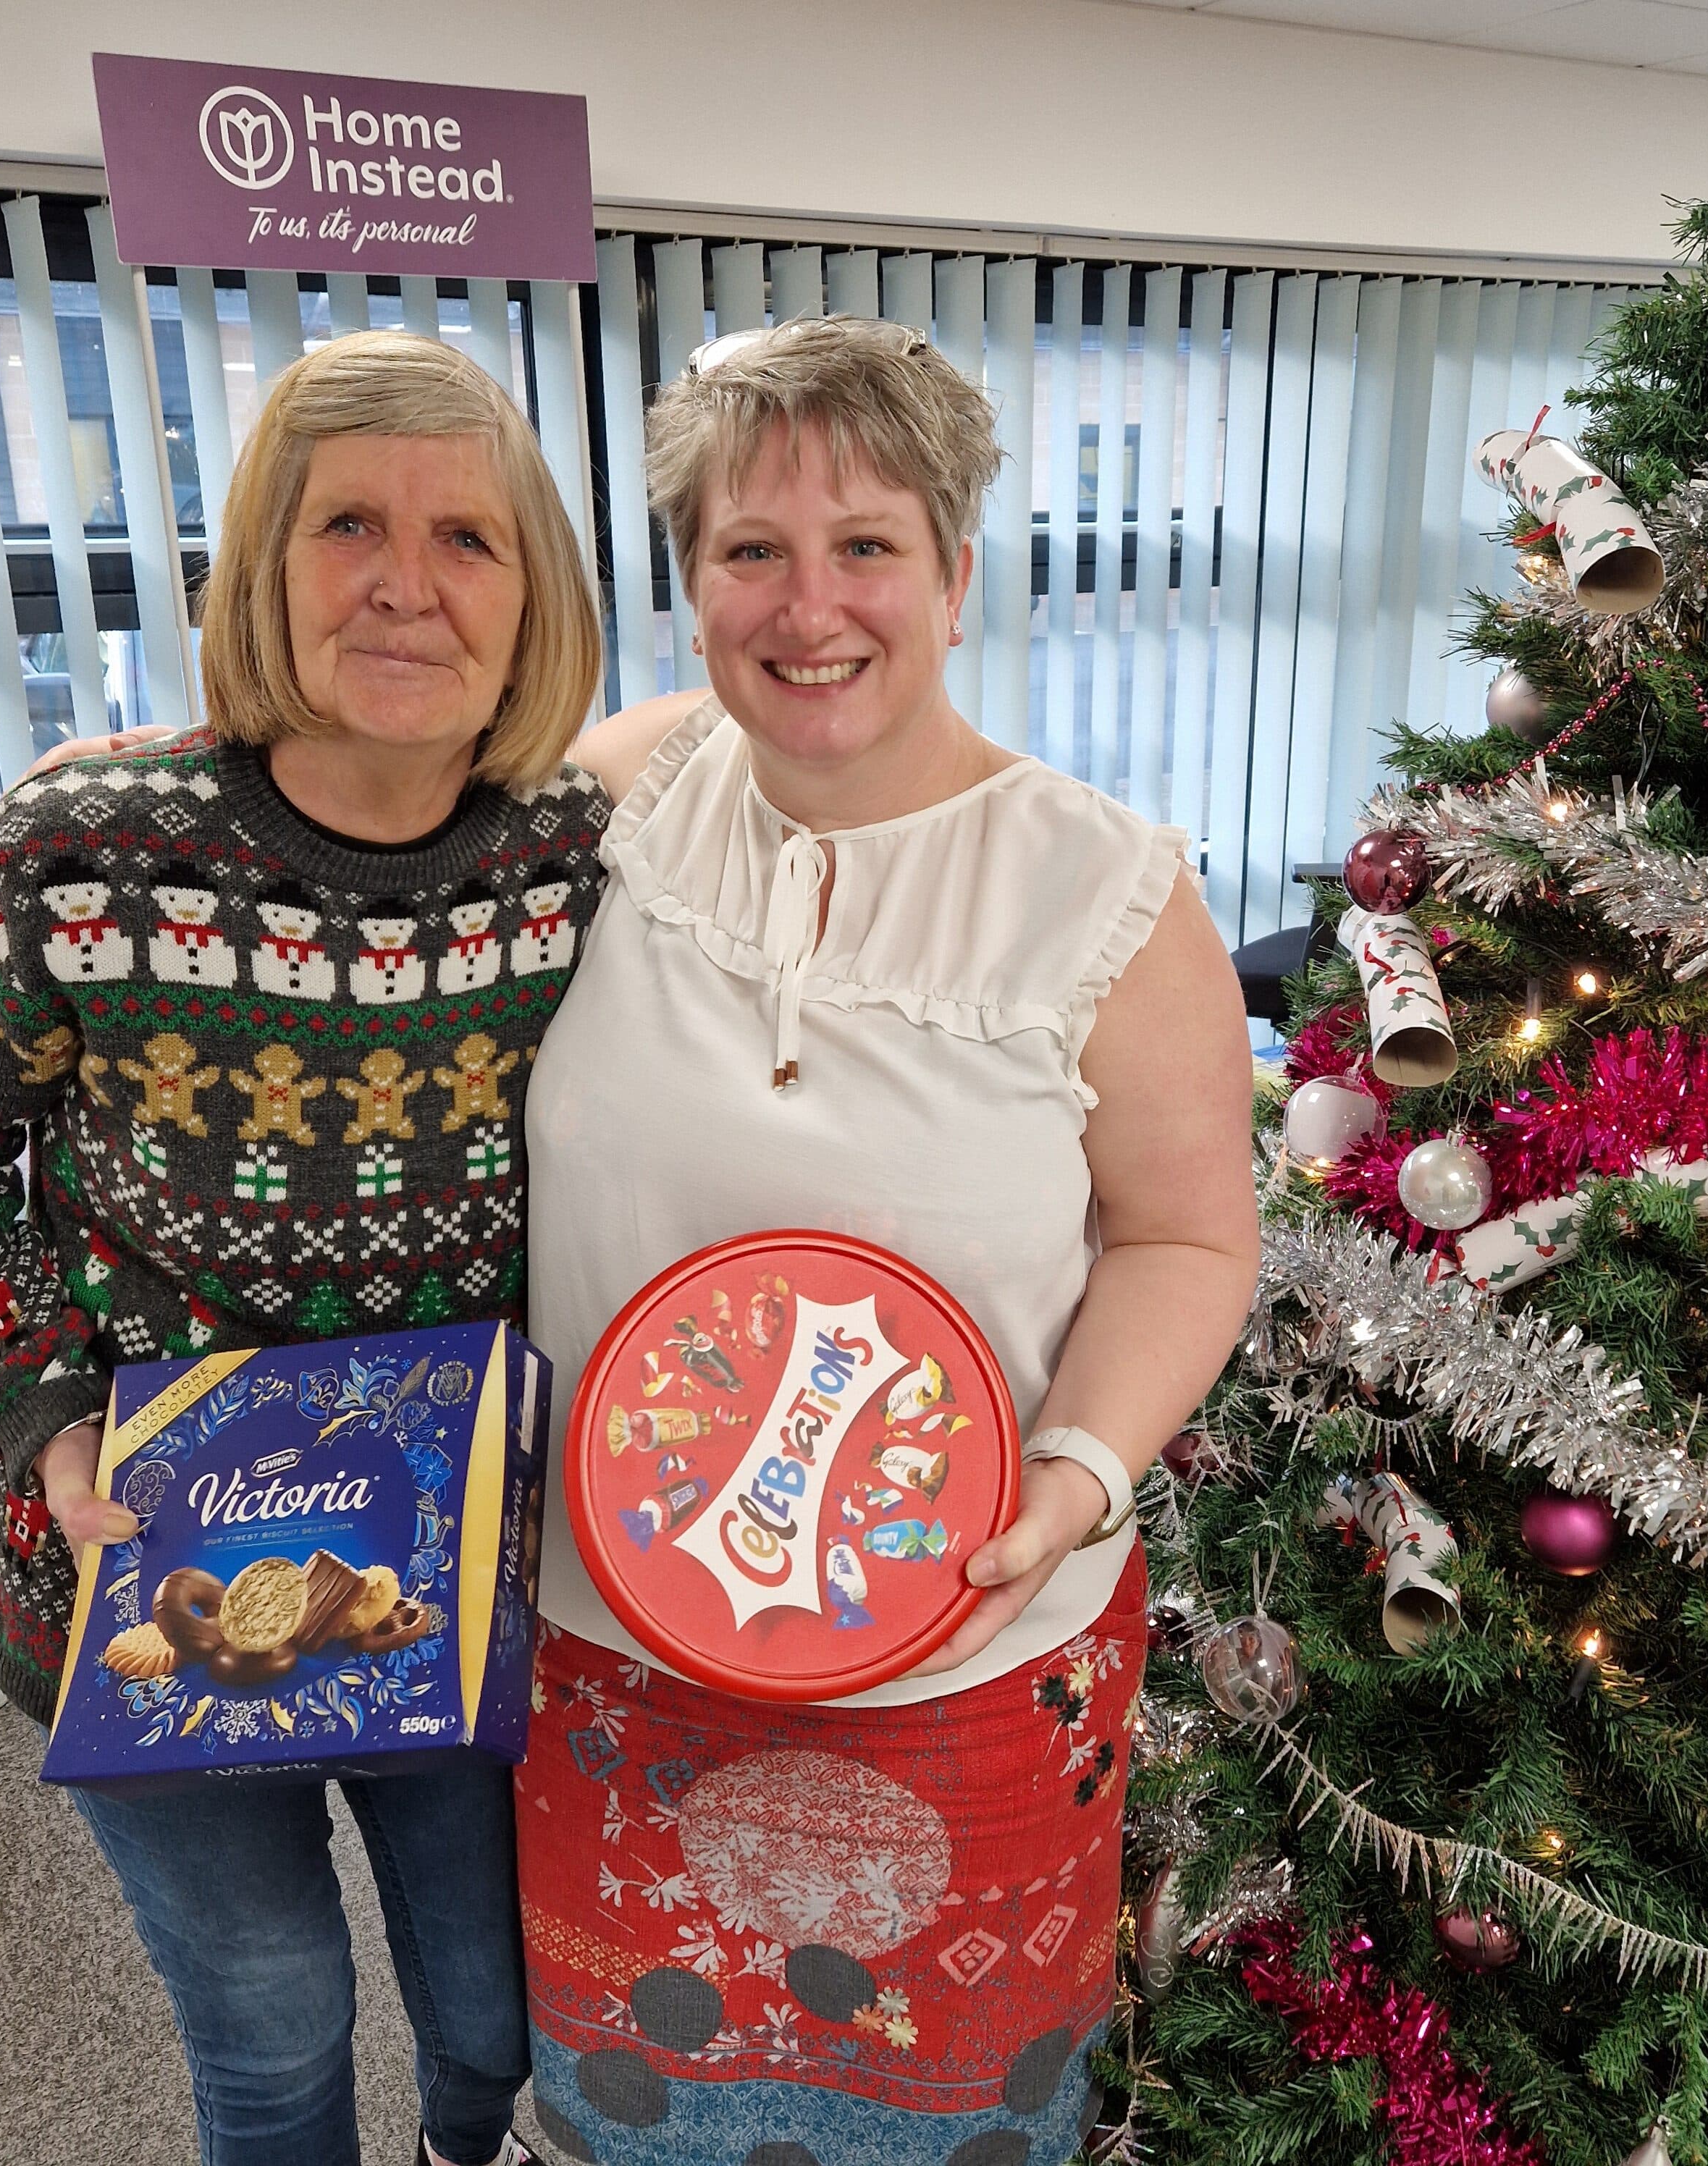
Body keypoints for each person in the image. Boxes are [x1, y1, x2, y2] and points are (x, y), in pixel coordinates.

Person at [0, 329, 608, 2166]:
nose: (406, 582)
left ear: (536, 598)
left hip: (453, 1561)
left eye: (468, 539)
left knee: (502, 2014)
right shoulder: (82, 849)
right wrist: (39, 1401)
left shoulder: (588, 859)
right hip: (143, 1566)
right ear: (265, 559)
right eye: (347, 521)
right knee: (270, 2027)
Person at [522, 317, 1260, 2162]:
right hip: (612, 1642)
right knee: (641, 2105)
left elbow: (1185, 1239)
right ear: (688, 582)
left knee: (946, 2126)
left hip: (959, 1648)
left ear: (950, 565)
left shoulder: (1103, 887)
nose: (807, 602)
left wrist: (1076, 1479)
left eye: (864, 543)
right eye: (747, 550)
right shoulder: (630, 796)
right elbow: (355, 768)